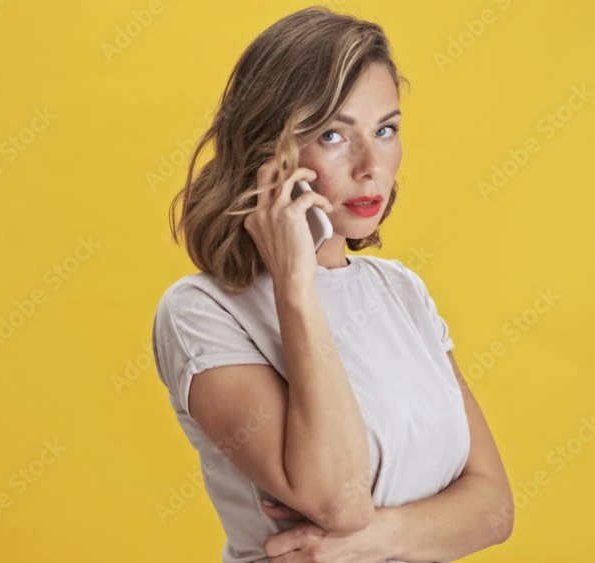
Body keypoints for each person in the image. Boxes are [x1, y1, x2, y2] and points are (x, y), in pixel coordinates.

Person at [151, 6, 513, 562]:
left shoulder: (400, 291)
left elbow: (494, 509)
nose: (371, 166)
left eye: (385, 130)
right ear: (268, 153)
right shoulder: (200, 311)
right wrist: (296, 287)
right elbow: (337, 502)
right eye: (333, 134)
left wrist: (376, 539)